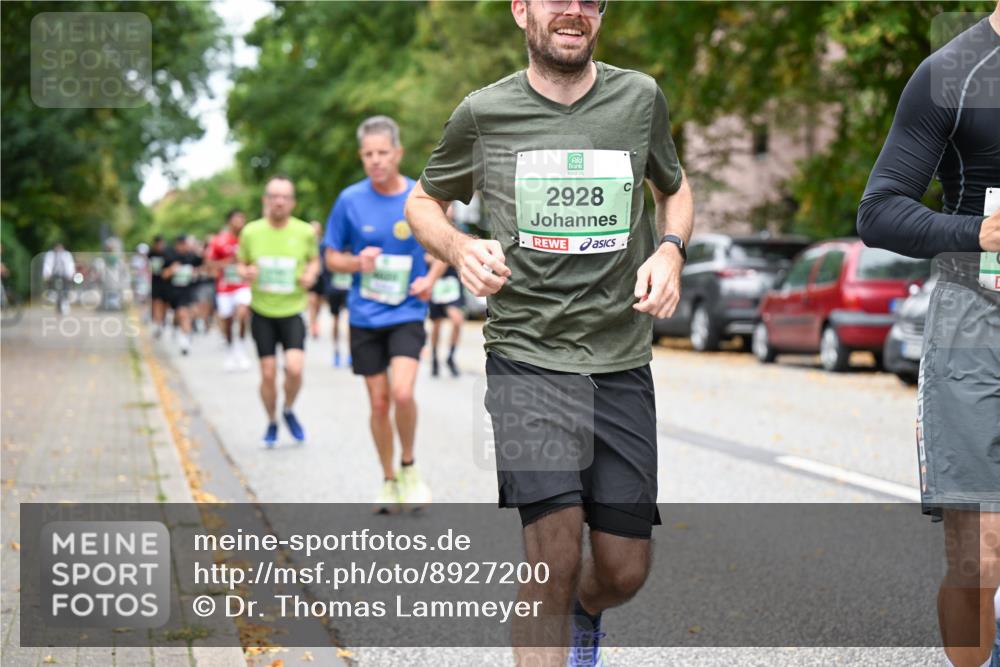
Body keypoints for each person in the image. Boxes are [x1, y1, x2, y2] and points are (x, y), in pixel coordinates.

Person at [405, 1, 694, 664]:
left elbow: (674, 187)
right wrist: (456, 246)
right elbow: (422, 201)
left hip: (620, 358)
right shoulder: (484, 113)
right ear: (521, 10)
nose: (573, 10)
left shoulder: (640, 98)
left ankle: (585, 612)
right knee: (552, 554)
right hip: (526, 354)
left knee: (623, 569)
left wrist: (671, 248)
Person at [857, 9, 1000, 667]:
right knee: (982, 552)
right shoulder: (951, 73)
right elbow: (880, 209)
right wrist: (974, 232)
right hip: (978, 322)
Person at [325, 115, 442, 514]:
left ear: (398, 153)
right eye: (368, 155)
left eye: (383, 153)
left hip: (407, 311)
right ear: (362, 157)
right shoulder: (349, 201)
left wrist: (431, 279)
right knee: (378, 404)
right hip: (364, 317)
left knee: (403, 393)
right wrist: (357, 263)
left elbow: (447, 246)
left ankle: (409, 466)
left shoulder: (417, 197)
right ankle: (388, 479)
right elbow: (332, 258)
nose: (376, 161)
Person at [238, 175, 319, 447]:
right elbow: (239, 265)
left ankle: (288, 409)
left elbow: (314, 262)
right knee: (268, 373)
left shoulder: (305, 232)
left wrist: (310, 275)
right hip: (262, 311)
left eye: (285, 196)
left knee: (294, 369)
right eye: (274, 196)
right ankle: (272, 421)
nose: (279, 201)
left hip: (293, 309)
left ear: (292, 202)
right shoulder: (251, 231)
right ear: (266, 200)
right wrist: (245, 271)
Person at [207, 209, 252, 371]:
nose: (240, 222)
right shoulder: (219, 241)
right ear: (230, 221)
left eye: (242, 219)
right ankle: (230, 349)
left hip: (242, 285)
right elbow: (210, 264)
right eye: (237, 219)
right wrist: (228, 262)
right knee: (227, 320)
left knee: (242, 313)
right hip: (225, 287)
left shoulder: (249, 239)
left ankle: (240, 348)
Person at [427, 206, 466, 378]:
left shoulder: (460, 230)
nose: (449, 211)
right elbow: (425, 256)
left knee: (457, 320)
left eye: (451, 207)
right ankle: (434, 357)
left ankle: (450, 356)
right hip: (436, 282)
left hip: (452, 282)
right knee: (437, 323)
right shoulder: (430, 229)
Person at [160, 235, 202, 355]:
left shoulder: (191, 257)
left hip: (188, 291)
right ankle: (178, 330)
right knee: (180, 314)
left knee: (186, 314)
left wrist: (195, 273)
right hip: (173, 292)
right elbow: (163, 274)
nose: (185, 247)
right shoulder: (169, 256)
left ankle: (185, 340)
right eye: (182, 244)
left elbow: (202, 268)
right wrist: (172, 270)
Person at [306, 220, 328, 340]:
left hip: (322, 277)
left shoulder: (323, 243)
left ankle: (315, 321)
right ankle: (312, 324)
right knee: (312, 301)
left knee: (319, 303)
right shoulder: (305, 242)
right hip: (311, 277)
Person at [42, 242, 75, 315]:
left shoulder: (66, 254)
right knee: (52, 288)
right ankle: (53, 298)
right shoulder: (50, 254)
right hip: (54, 274)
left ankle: (65, 304)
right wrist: (46, 274)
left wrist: (70, 274)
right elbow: (47, 264)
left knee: (65, 289)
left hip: (64, 275)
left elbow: (70, 264)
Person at [148, 235, 170, 337]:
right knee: (156, 303)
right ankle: (157, 325)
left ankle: (163, 321)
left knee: (165, 305)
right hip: (155, 283)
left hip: (166, 284)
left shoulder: (168, 254)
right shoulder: (151, 254)